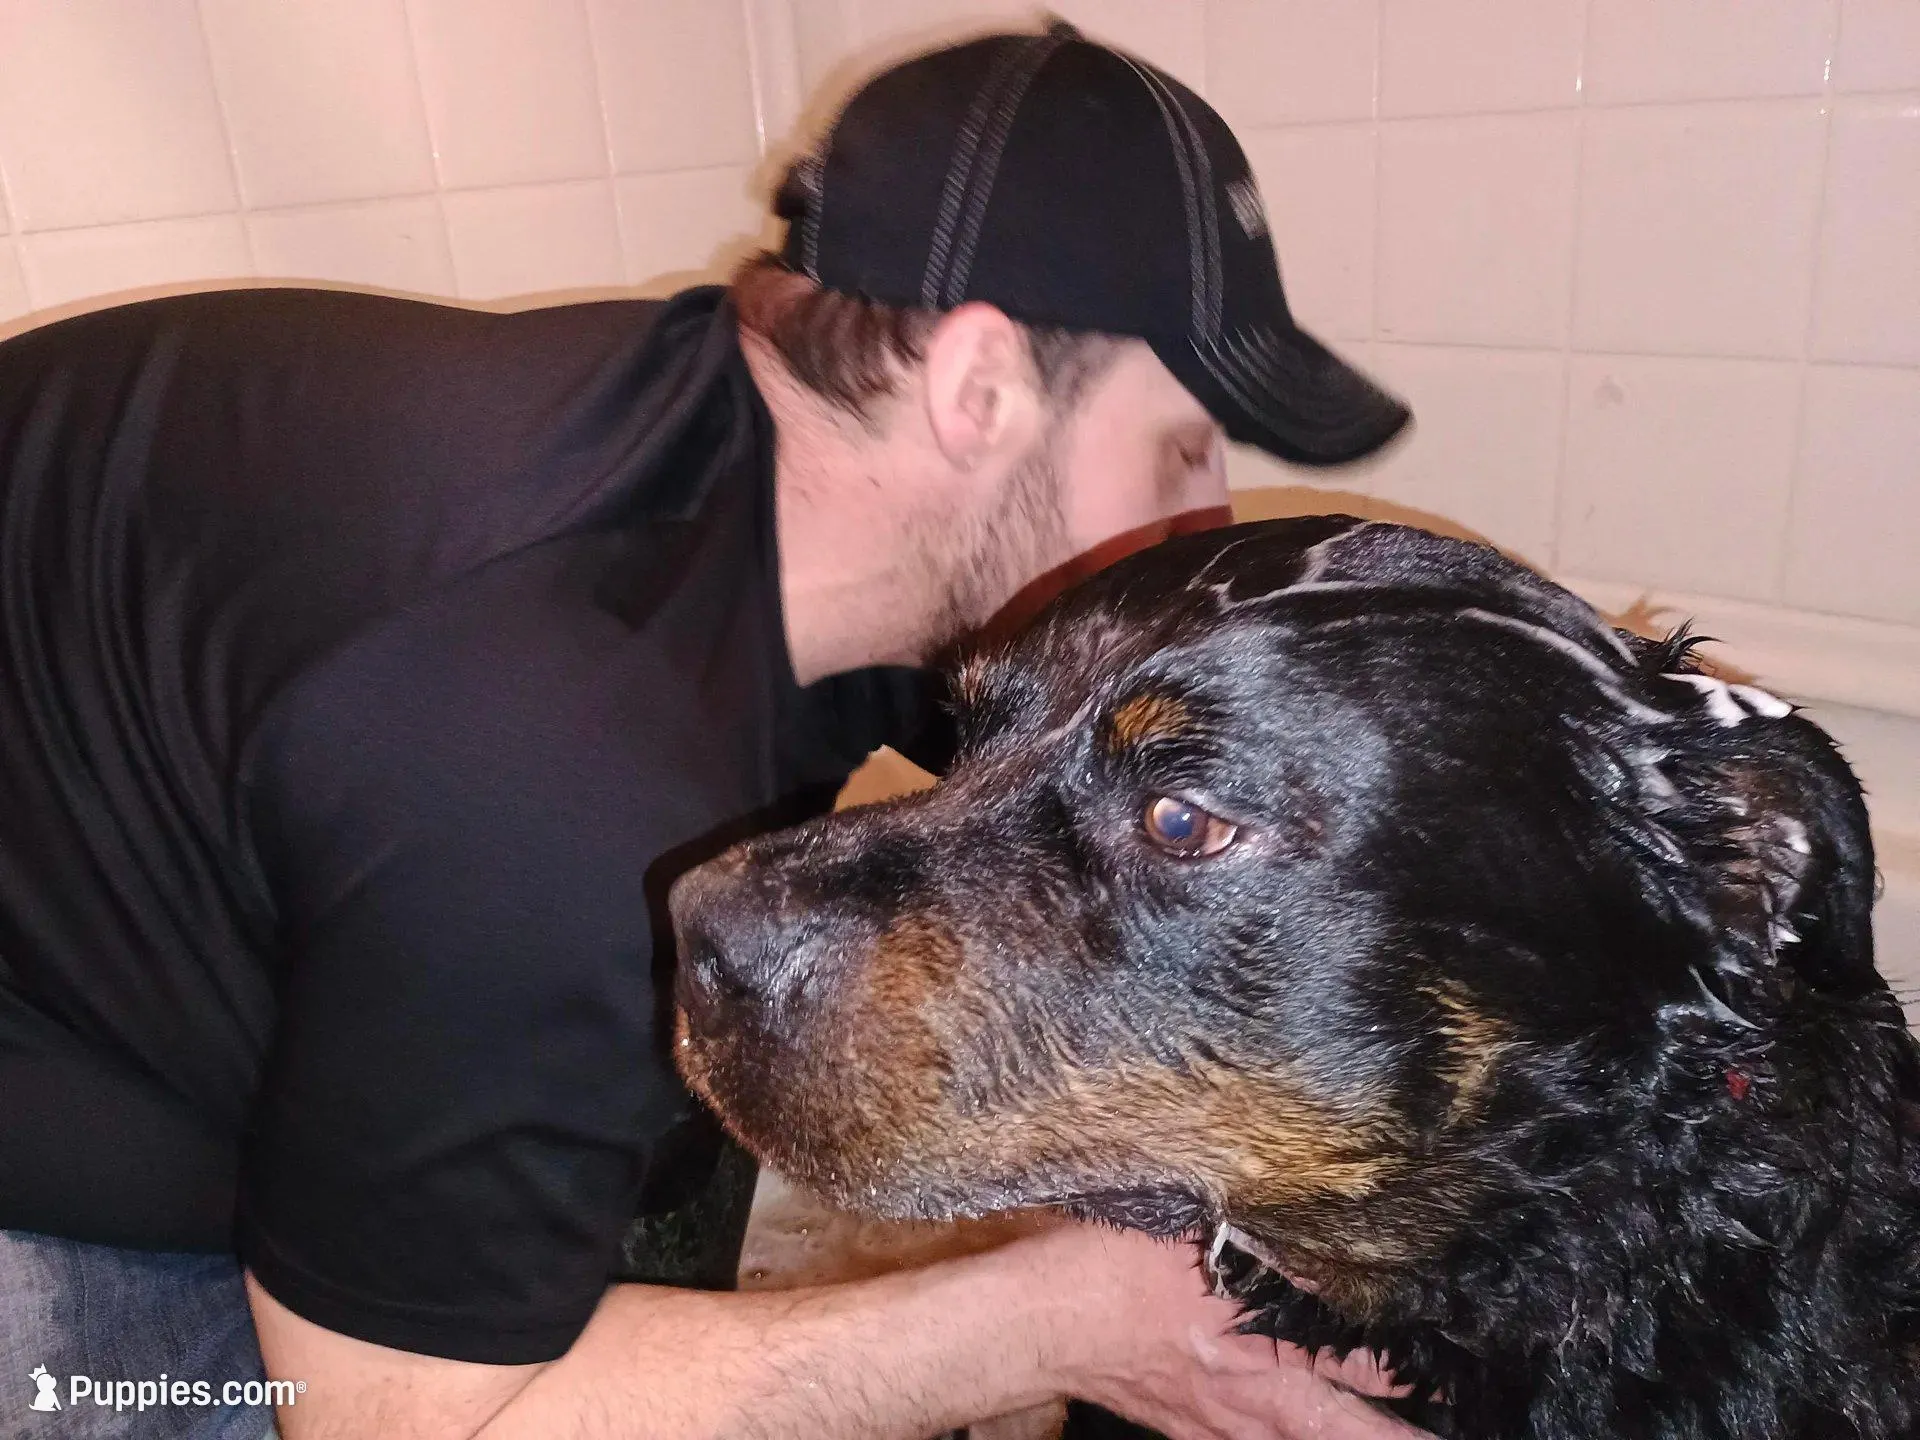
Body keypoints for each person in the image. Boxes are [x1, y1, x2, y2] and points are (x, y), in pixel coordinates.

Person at [0, 22, 1414, 1440]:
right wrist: (1084, 1321)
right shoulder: (544, 744)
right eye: (1179, 450)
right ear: (978, 390)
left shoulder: (770, 478)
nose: (1209, 517)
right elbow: (403, 1422)